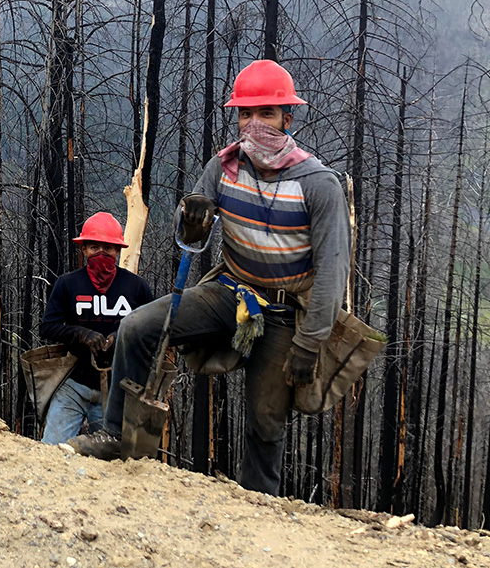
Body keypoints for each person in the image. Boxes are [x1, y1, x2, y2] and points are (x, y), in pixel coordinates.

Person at [68, 59, 350, 495]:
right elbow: (191, 235)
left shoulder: (317, 183)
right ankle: (116, 436)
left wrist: (310, 342)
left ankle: (259, 500)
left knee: (265, 416)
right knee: (138, 327)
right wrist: (192, 220)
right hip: (231, 288)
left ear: (287, 119)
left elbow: (333, 269)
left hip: (283, 308)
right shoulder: (222, 168)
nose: (254, 124)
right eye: (245, 114)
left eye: (266, 114)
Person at [38, 213, 153, 444]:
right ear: (83, 250)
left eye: (108, 248)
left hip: (116, 391)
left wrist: (121, 336)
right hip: (73, 384)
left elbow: (153, 331)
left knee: (111, 462)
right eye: (94, 247)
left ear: (118, 251)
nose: (101, 253)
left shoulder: (136, 287)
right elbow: (47, 327)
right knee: (50, 451)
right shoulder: (68, 284)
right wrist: (81, 334)